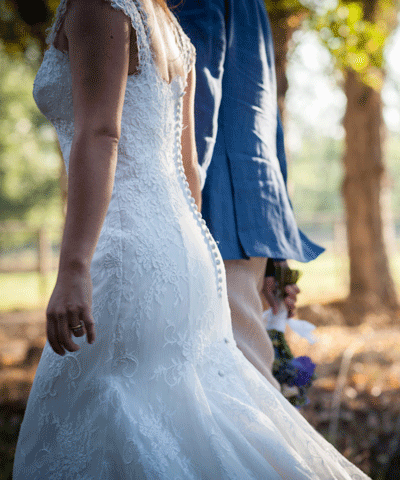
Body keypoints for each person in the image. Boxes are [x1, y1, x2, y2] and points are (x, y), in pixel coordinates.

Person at [13, 0, 370, 478]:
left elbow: (100, 134)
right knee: (192, 419)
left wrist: (75, 266)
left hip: (124, 253)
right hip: (181, 248)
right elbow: (189, 174)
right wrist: (197, 263)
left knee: (109, 416)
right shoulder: (169, 24)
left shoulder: (100, 5)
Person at [175, 0, 324, 390]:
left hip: (216, 200)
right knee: (240, 367)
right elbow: (264, 111)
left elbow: (195, 96)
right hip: (252, 200)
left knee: (243, 379)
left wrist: (176, 194)